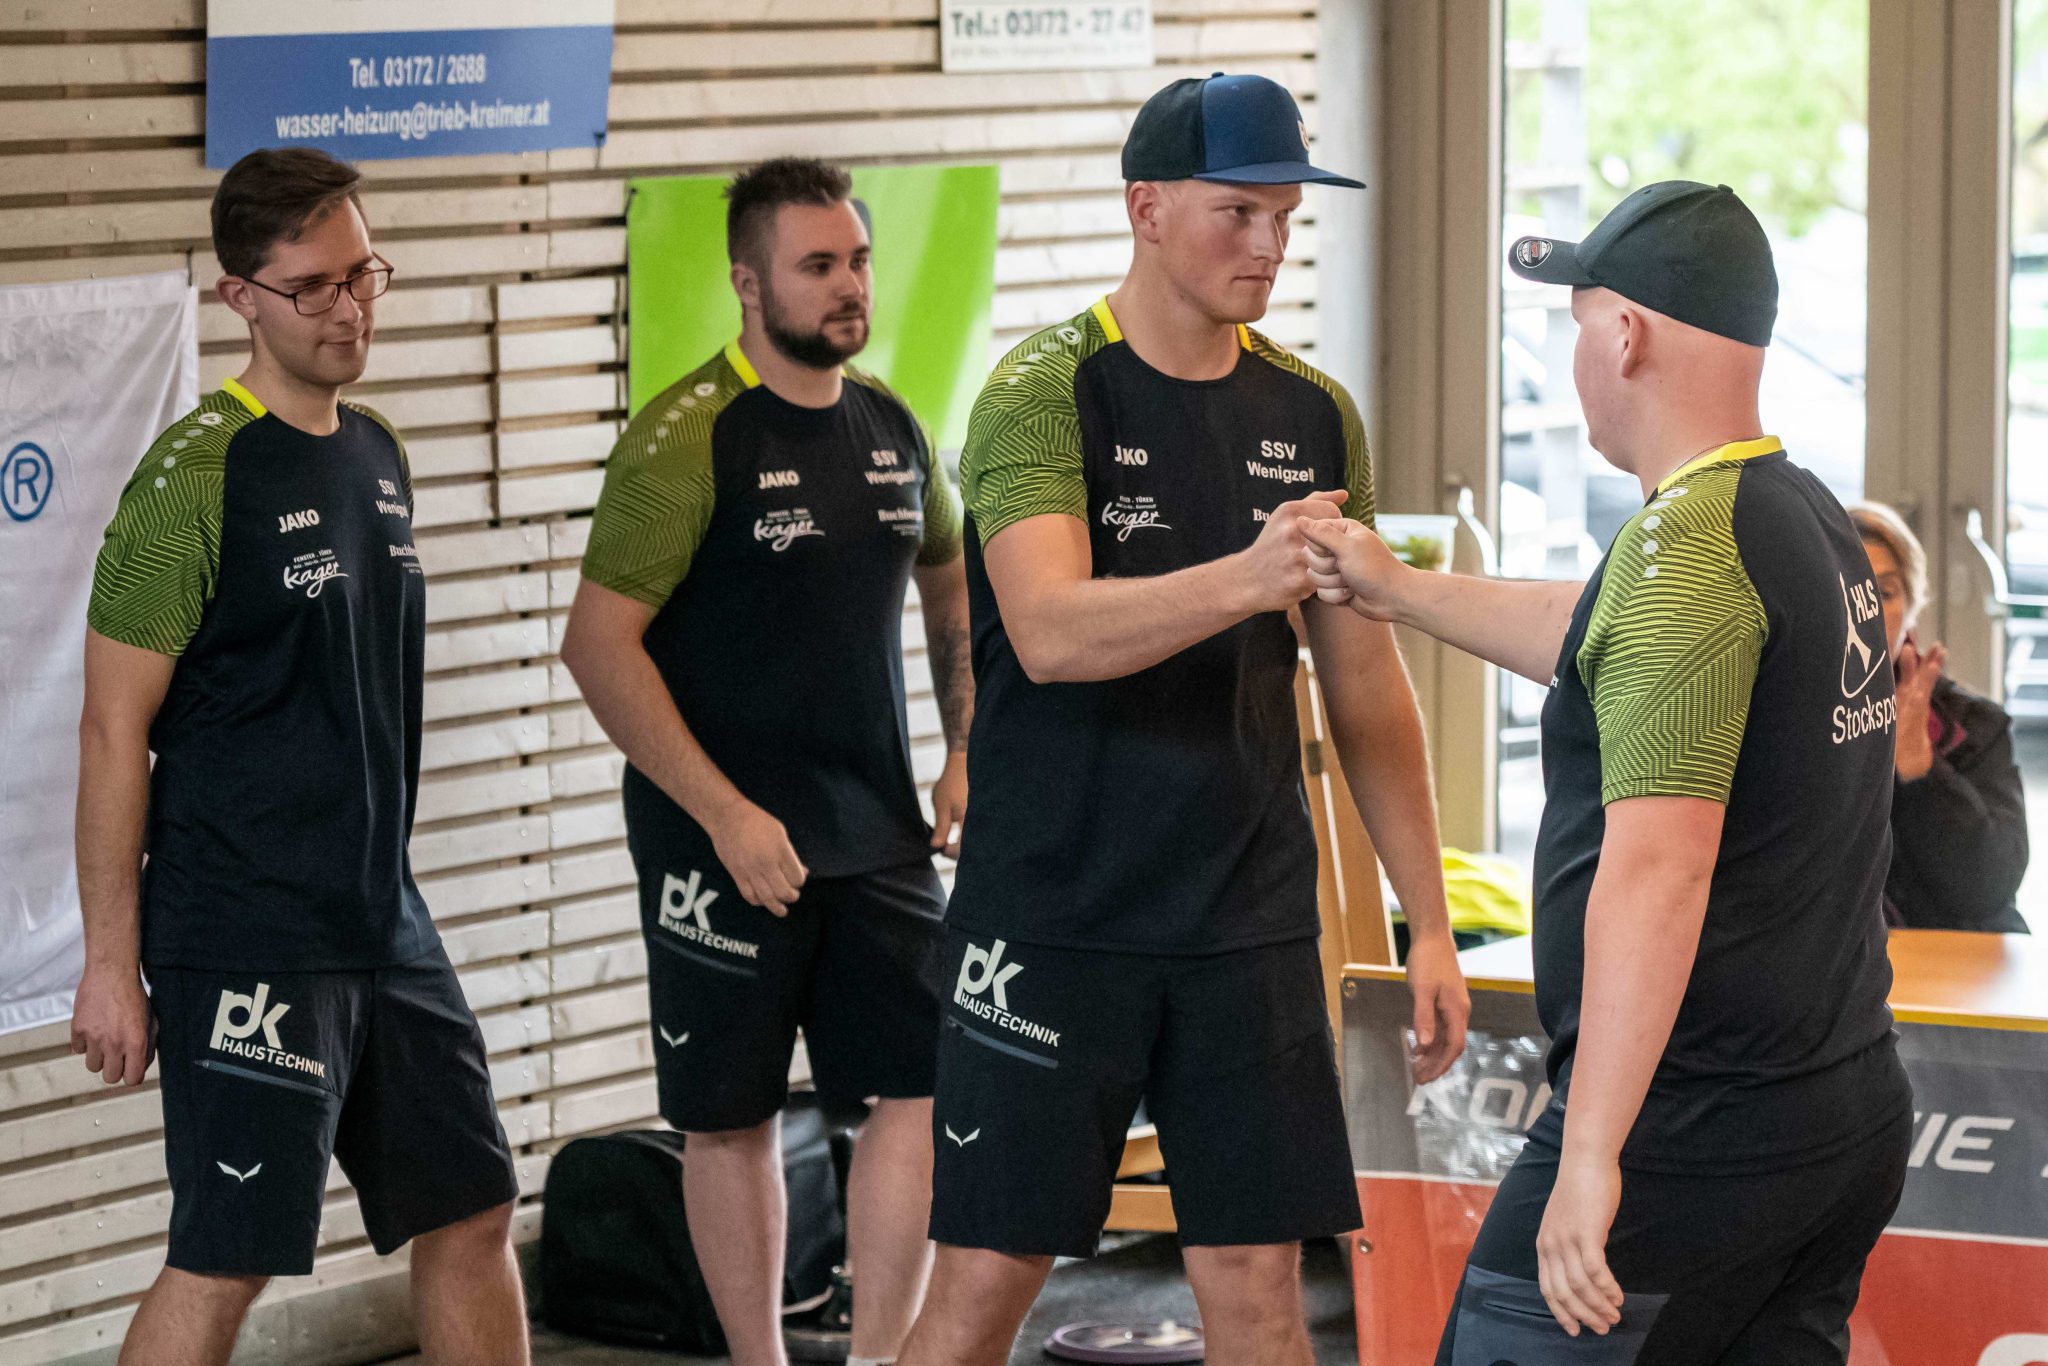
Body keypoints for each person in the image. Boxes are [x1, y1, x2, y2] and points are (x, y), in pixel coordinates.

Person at [897, 74, 1470, 1366]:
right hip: (1055, 911)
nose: (1268, 247)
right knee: (985, 1284)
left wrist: (1424, 919)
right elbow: (1047, 630)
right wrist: (1252, 578)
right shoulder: (1044, 390)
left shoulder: (1311, 413)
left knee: (1260, 1286)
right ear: (1146, 208)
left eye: (1284, 217)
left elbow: (1366, 687)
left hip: (1243, 917)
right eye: (1237, 214)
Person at [1303, 182, 1913, 1364]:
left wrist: (1589, 1156)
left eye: (1575, 325)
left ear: (1622, 333)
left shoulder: (1680, 548)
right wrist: (1398, 587)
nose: (1573, 357)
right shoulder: (1796, 515)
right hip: (1835, 1111)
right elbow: (1602, 636)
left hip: (1689, 1135)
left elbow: (1657, 877)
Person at [71, 148, 526, 1366]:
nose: (349, 308)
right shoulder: (191, 479)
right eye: (315, 286)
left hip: (383, 917)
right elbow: (112, 730)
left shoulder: (376, 450)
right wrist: (110, 966)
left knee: (473, 1206)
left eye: (363, 274)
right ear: (242, 299)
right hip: (244, 927)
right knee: (228, 1254)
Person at [559, 157, 970, 1366]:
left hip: (876, 830)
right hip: (717, 848)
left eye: (857, 260)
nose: (849, 286)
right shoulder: (682, 441)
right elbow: (596, 649)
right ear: (747, 283)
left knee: (923, 1091)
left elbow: (949, 579)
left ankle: (884, 1350)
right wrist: (725, 813)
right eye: (818, 266)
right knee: (726, 1117)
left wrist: (964, 751)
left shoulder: (892, 425)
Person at [1850, 502, 2030, 933]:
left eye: (1886, 593)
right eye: (1849, 592)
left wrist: (1920, 770)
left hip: (1955, 969)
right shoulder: (1783, 720)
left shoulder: (1972, 725)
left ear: (1912, 606)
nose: (1867, 611)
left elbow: (1991, 885)